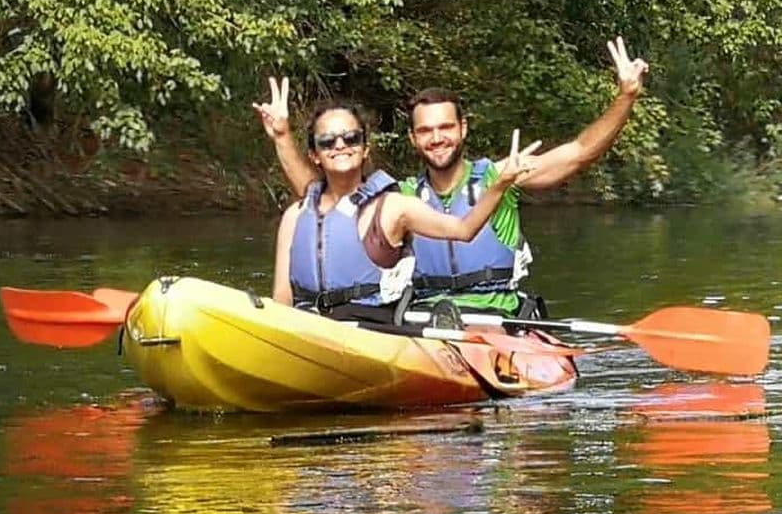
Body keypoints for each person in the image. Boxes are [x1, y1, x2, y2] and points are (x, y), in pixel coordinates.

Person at [255, 36, 648, 319]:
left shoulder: (501, 175)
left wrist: (625, 97)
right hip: (425, 319)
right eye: (425, 131)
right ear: (413, 138)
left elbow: (579, 152)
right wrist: (283, 137)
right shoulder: (400, 196)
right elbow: (321, 201)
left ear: (463, 129)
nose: (437, 138)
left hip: (497, 315)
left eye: (445, 127)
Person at [267, 99, 539, 324]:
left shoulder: (396, 206)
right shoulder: (295, 215)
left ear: (365, 149)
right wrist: (282, 136)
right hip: (309, 324)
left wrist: (500, 185)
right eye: (327, 141)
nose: (340, 146)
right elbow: (282, 298)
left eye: (351, 138)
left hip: (369, 328)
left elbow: (464, 230)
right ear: (314, 154)